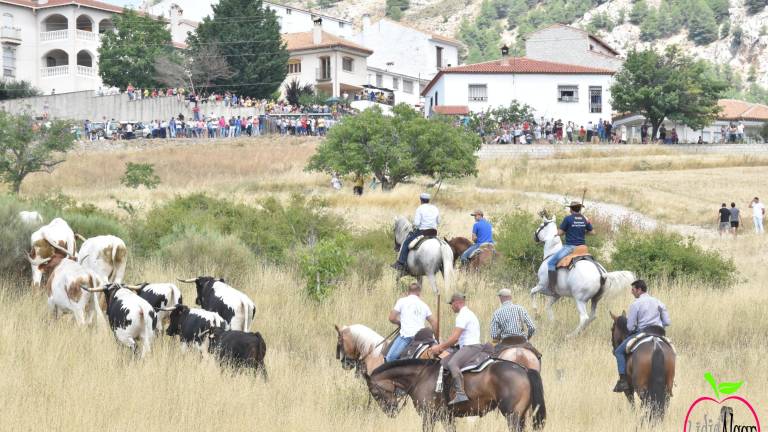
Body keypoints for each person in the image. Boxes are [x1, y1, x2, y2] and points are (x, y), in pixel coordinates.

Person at [613, 279, 671, 392]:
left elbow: (630, 327)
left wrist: (635, 327)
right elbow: (667, 322)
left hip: (643, 332)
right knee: (671, 350)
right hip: (659, 333)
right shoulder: (659, 302)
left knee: (618, 352)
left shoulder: (636, 304)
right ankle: (670, 380)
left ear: (639, 290)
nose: (631, 292)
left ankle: (623, 380)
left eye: (633, 289)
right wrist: (659, 325)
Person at [429, 293, 481, 405]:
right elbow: (457, 339)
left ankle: (461, 394)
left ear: (457, 303)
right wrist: (445, 347)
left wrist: (439, 347)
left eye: (451, 304)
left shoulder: (462, 315)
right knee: (445, 360)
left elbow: (454, 338)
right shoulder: (468, 313)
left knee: (452, 364)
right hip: (469, 346)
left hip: (470, 347)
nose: (451, 306)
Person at [546, 201, 593, 293]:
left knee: (551, 263)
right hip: (582, 248)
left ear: (571, 209)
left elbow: (560, 232)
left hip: (570, 247)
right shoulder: (584, 219)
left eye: (570, 208)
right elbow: (592, 232)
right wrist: (583, 231)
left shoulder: (568, 219)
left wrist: (557, 233)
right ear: (579, 209)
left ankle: (552, 287)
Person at [385, 282, 438, 363]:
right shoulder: (424, 305)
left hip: (407, 336)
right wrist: (435, 338)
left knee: (390, 358)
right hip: (422, 337)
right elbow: (434, 322)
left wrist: (399, 323)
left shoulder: (402, 301)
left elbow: (391, 318)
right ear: (419, 292)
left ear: (408, 292)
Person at [391, 193, 440, 273]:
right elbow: (438, 222)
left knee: (406, 242)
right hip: (434, 233)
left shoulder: (420, 209)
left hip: (423, 232)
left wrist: (414, 225)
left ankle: (400, 263)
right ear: (428, 200)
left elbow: (417, 223)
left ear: (421, 200)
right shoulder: (435, 208)